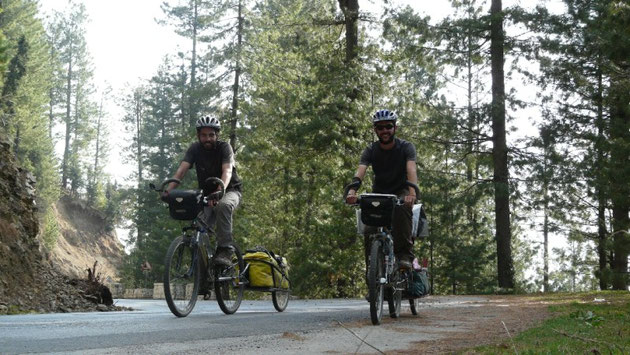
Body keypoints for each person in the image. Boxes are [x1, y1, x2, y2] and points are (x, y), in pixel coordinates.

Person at [162, 116, 243, 266]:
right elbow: (181, 171)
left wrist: (220, 190)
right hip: (207, 195)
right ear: (198, 136)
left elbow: (227, 171)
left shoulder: (225, 148)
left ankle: (225, 249)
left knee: (223, 206)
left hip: (230, 190)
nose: (208, 139)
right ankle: (203, 280)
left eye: (211, 135)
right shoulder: (195, 149)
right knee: (198, 230)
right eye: (204, 135)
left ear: (216, 135)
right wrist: (168, 191)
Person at [346, 109, 418, 269]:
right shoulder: (371, 150)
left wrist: (412, 193)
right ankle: (372, 278)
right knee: (369, 229)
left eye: (388, 126)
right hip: (379, 193)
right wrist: (352, 190)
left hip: (401, 190)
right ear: (375, 130)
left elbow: (411, 170)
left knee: (403, 208)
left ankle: (404, 256)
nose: (384, 130)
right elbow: (361, 171)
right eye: (380, 127)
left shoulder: (406, 147)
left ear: (395, 128)